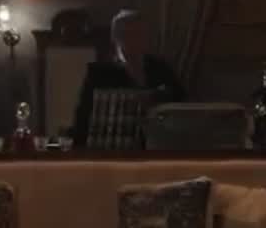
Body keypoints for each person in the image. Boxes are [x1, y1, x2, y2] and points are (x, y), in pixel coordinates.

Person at [71, 9, 185, 147]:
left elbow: (181, 103)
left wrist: (158, 97)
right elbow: (84, 116)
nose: (136, 40)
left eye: (141, 34)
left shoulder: (161, 68)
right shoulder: (100, 73)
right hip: (115, 145)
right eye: (130, 34)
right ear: (115, 38)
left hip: (155, 144)